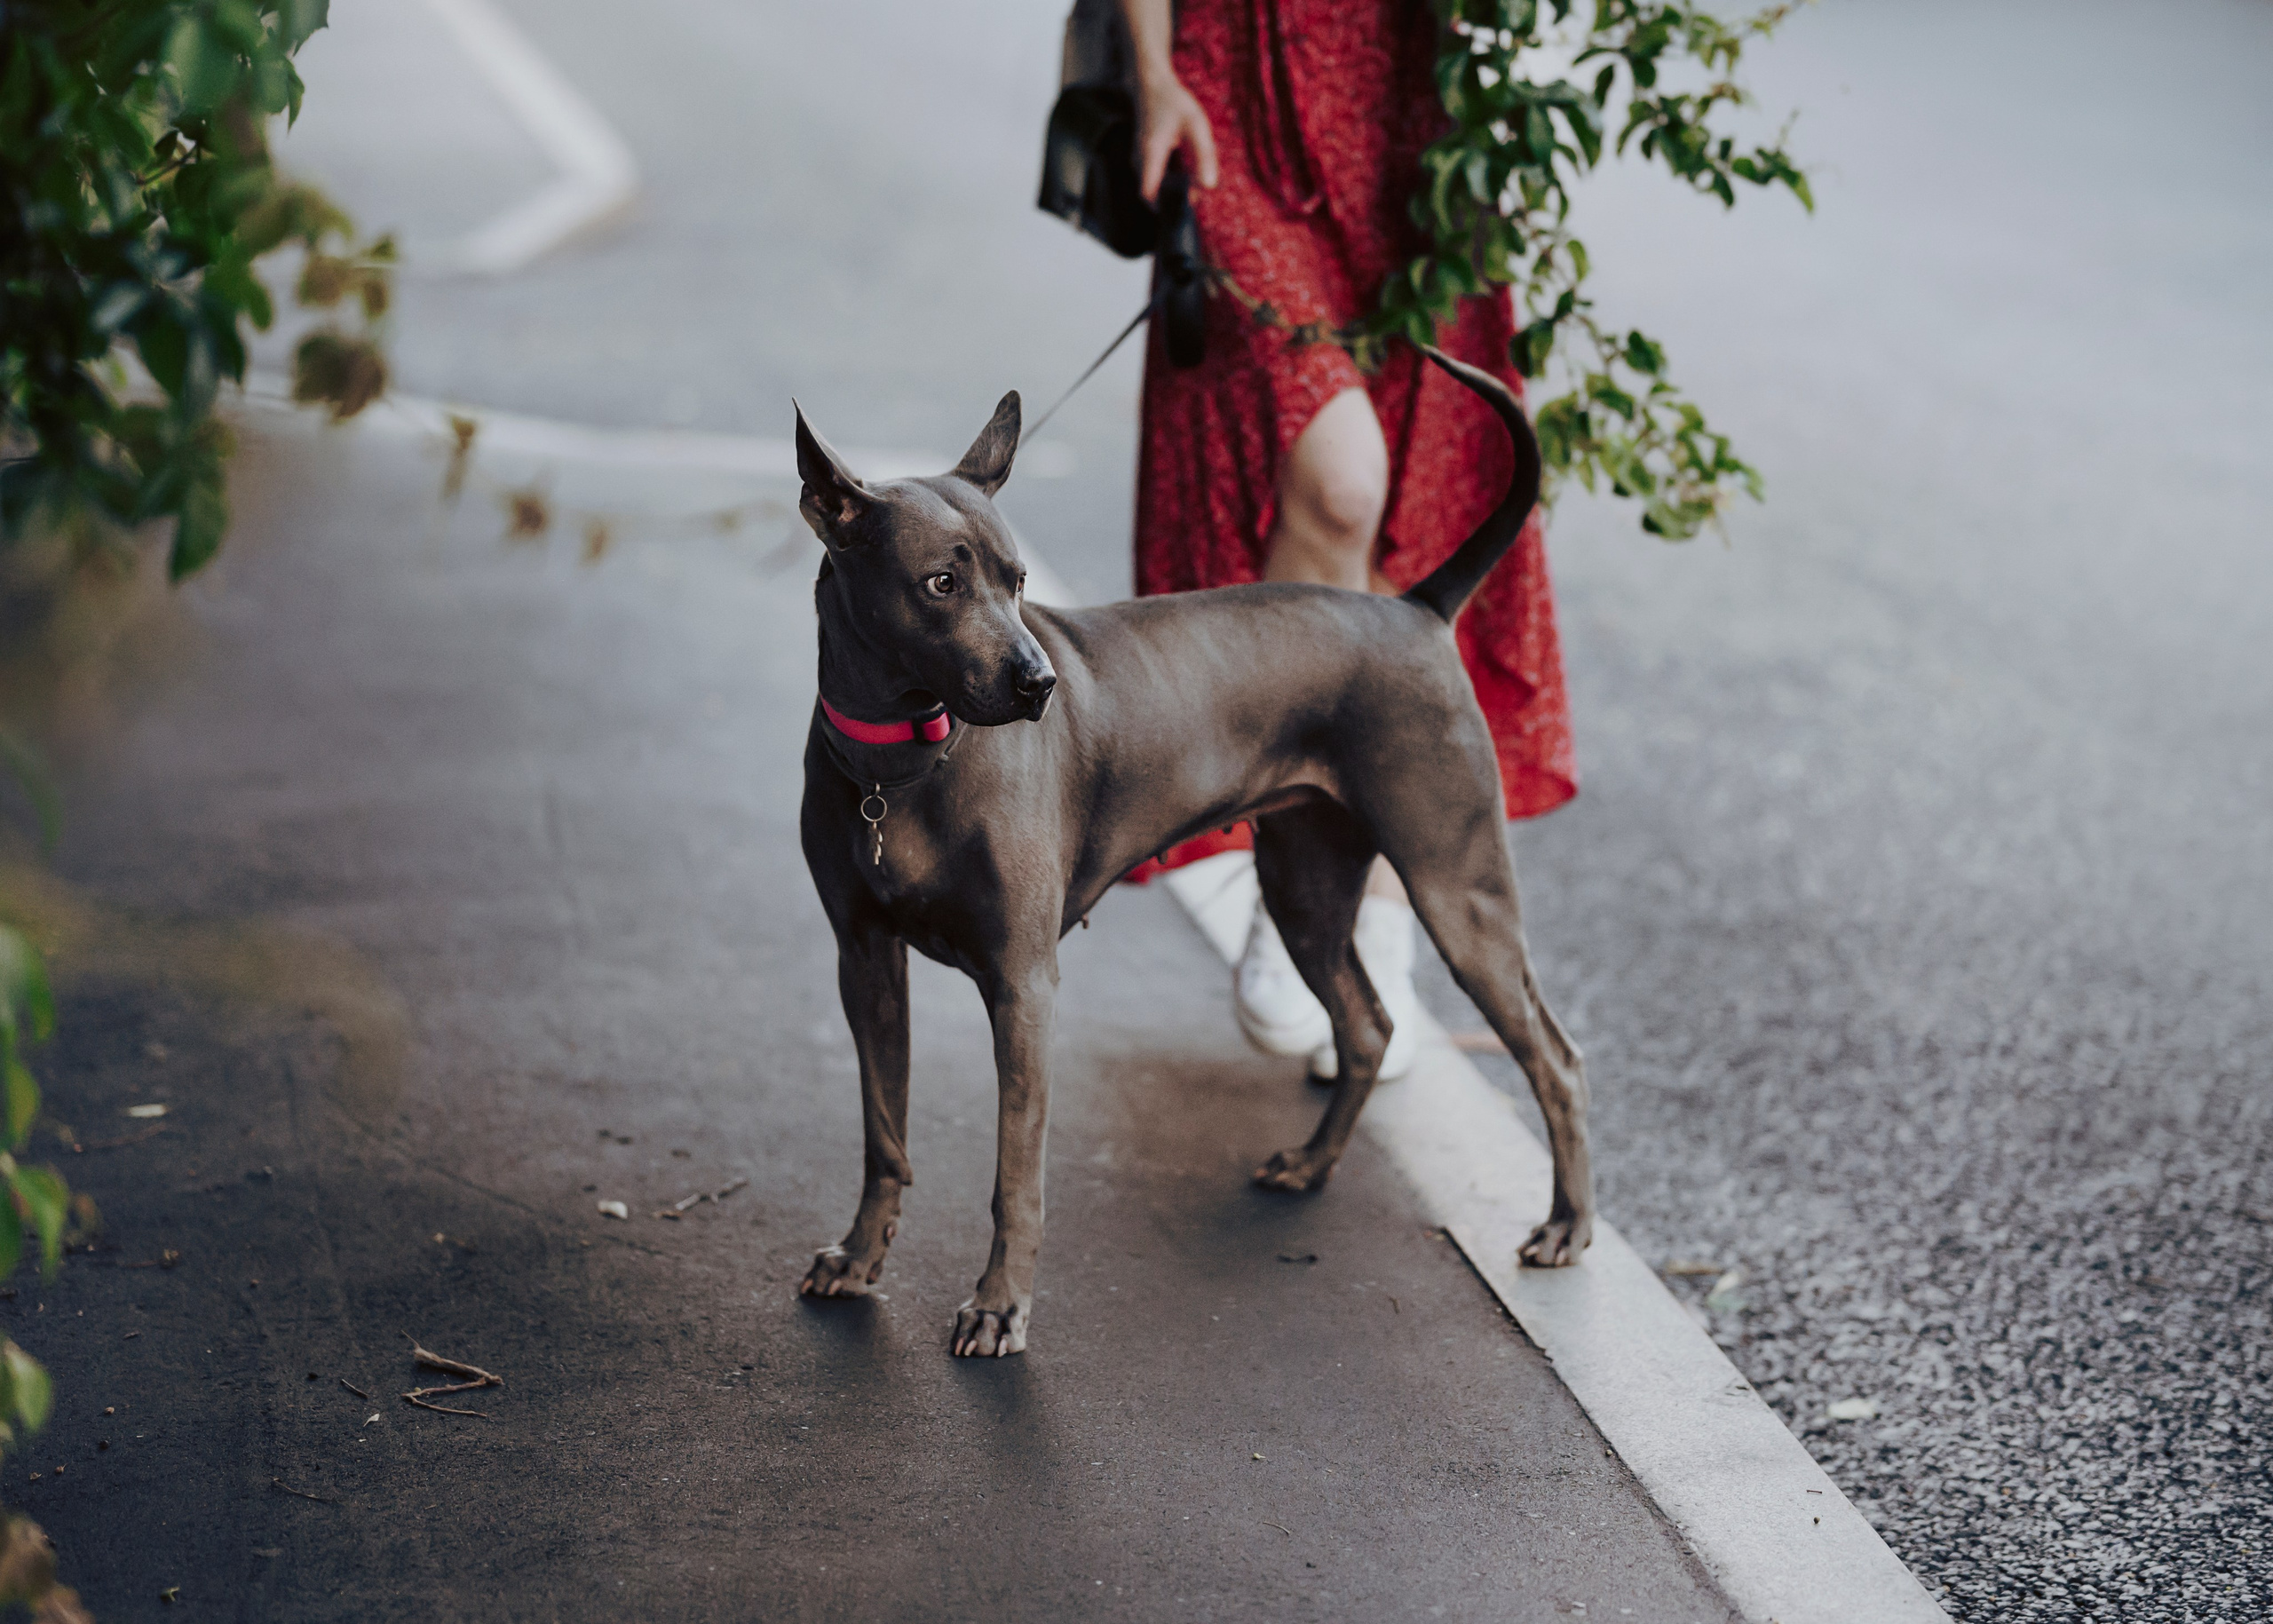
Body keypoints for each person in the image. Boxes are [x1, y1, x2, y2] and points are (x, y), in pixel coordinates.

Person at [1119, 0, 1577, 1080]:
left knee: (1412, 507)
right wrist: (1152, 72)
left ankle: (1369, 905)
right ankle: (1293, 878)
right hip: (1233, 87)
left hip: (1422, 112)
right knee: (1339, 483)